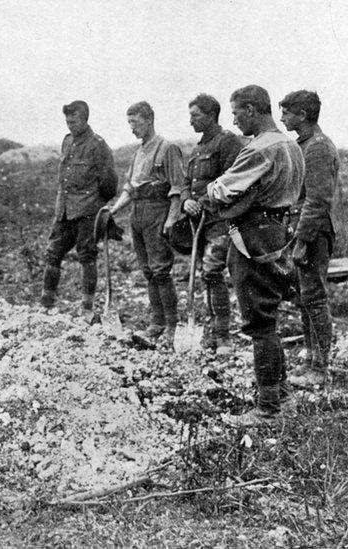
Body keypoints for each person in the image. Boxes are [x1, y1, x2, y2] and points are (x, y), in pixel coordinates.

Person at [207, 85, 304, 426]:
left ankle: (267, 409)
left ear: (251, 109)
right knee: (269, 317)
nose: (233, 120)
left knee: (259, 323)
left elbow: (221, 188)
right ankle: (283, 395)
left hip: (253, 236)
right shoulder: (291, 145)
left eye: (236, 112)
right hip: (278, 232)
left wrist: (212, 190)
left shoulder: (260, 148)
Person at [107, 102, 186, 348]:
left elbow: (178, 187)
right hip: (137, 213)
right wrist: (113, 210)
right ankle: (156, 322)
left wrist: (172, 217)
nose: (132, 128)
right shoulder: (138, 152)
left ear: (149, 120)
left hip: (157, 210)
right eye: (129, 122)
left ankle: (172, 325)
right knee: (148, 271)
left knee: (161, 270)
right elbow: (130, 188)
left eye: (136, 122)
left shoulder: (167, 148)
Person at [279, 90, 339, 388]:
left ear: (303, 115)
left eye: (287, 113)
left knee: (314, 298)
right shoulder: (303, 146)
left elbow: (317, 200)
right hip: (303, 228)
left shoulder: (317, 148)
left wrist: (302, 241)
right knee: (305, 298)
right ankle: (310, 361)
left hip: (313, 231)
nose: (282, 118)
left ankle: (320, 367)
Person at [38, 100, 117, 316]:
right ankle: (46, 304)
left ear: (85, 118)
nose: (70, 125)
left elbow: (109, 184)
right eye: (67, 121)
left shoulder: (98, 145)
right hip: (63, 211)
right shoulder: (67, 141)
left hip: (86, 211)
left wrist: (92, 203)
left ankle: (86, 309)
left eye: (74, 121)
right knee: (52, 254)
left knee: (87, 256)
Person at [180, 94, 245, 354]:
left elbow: (232, 180)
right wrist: (186, 201)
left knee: (212, 271)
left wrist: (204, 201)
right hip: (198, 222)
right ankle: (209, 331)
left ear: (210, 115)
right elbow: (186, 184)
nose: (191, 120)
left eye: (195, 115)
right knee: (205, 274)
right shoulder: (197, 148)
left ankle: (223, 337)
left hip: (219, 220)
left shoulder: (227, 141)